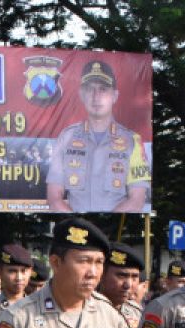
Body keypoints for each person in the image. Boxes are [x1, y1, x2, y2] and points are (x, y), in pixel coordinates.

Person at [46, 60, 150, 213]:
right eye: (90, 89)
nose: (96, 96)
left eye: (103, 89)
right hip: (75, 231)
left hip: (113, 233)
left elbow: (137, 199)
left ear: (114, 96)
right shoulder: (66, 138)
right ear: (82, 94)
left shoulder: (132, 141)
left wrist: (105, 226)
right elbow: (54, 198)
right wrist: (80, 224)